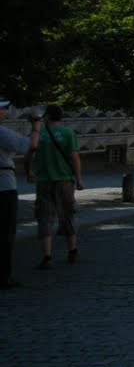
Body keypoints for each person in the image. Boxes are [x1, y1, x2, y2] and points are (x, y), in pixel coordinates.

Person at [25, 104, 84, 269]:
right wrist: (79, 179)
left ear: (48, 117)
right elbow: (74, 158)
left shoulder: (39, 133)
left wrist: (29, 171)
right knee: (67, 216)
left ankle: (47, 256)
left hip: (43, 181)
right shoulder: (68, 133)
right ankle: (72, 250)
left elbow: (30, 151)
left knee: (44, 218)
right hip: (64, 180)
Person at [0, 99, 40, 289]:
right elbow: (29, 146)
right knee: (6, 232)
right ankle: (4, 276)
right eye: (3, 109)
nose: (6, 112)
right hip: (3, 186)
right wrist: (35, 126)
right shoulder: (1, 133)